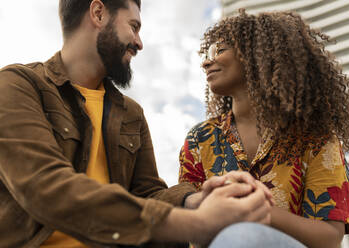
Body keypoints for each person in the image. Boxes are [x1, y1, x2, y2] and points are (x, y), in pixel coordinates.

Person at [0, 1, 278, 247]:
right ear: (98, 13)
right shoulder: (17, 85)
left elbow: (148, 193)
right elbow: (44, 188)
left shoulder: (131, 113)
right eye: (133, 26)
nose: (139, 42)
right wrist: (197, 223)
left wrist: (197, 201)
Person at [179, 9, 349, 248]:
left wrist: (258, 209)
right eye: (207, 53)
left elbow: (329, 238)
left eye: (219, 50)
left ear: (258, 57)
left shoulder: (316, 137)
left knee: (241, 237)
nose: (206, 61)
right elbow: (186, 228)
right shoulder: (199, 140)